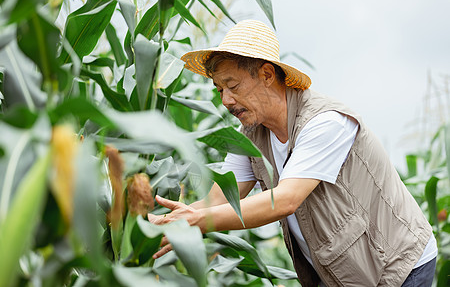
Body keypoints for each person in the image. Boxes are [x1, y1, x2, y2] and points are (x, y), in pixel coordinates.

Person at [147, 20, 437, 286]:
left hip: (399, 265)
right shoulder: (250, 137)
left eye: (232, 86)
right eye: (219, 89)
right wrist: (153, 227)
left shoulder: (325, 123)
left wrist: (197, 221)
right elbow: (218, 199)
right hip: (346, 272)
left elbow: (286, 199)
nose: (225, 100)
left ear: (267, 74)